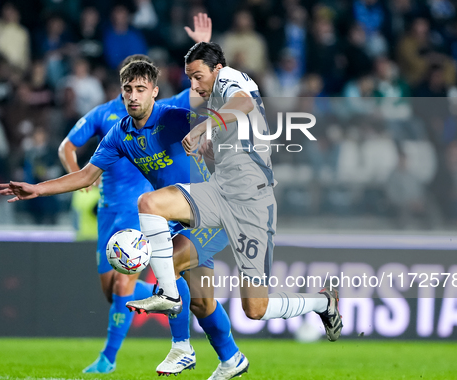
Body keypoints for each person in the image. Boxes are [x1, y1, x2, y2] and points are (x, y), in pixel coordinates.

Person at [1, 57, 246, 380]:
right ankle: (231, 357)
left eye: (140, 89)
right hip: (179, 219)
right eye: (128, 89)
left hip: (211, 210)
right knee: (202, 302)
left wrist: (206, 132)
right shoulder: (120, 133)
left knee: (166, 262)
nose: (133, 95)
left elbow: (232, 110)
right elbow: (86, 175)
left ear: (154, 92)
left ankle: (182, 346)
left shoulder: (171, 118)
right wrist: (37, 189)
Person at [125, 42, 342, 346]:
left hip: (251, 202)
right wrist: (215, 149)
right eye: (189, 78)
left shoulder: (230, 79)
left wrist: (202, 130)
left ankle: (323, 302)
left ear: (216, 69)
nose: (194, 84)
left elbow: (243, 103)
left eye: (198, 76)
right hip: (218, 191)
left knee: (255, 308)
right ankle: (168, 292)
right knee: (150, 203)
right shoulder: (214, 98)